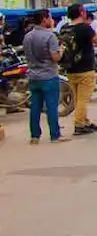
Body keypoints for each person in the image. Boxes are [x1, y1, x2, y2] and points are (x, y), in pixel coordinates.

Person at [23, 10, 69, 144]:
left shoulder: (27, 37)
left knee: (35, 107)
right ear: (44, 19)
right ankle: (55, 135)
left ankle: (34, 135)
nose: (51, 20)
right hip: (48, 75)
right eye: (49, 18)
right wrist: (61, 50)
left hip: (33, 75)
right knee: (51, 106)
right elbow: (55, 57)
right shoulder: (50, 36)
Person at [61, 3, 97, 136]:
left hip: (70, 68)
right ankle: (79, 124)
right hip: (85, 68)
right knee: (83, 99)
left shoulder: (64, 28)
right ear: (81, 13)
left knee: (78, 98)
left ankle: (85, 121)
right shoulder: (84, 28)